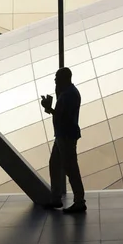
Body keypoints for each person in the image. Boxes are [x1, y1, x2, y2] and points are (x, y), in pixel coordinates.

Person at [40, 67, 86, 214]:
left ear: (63, 78)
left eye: (56, 77)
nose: (55, 80)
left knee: (70, 168)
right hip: (63, 135)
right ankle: (56, 198)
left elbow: (62, 116)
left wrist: (49, 108)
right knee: (55, 164)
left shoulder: (68, 95)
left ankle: (79, 201)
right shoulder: (69, 92)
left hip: (65, 136)